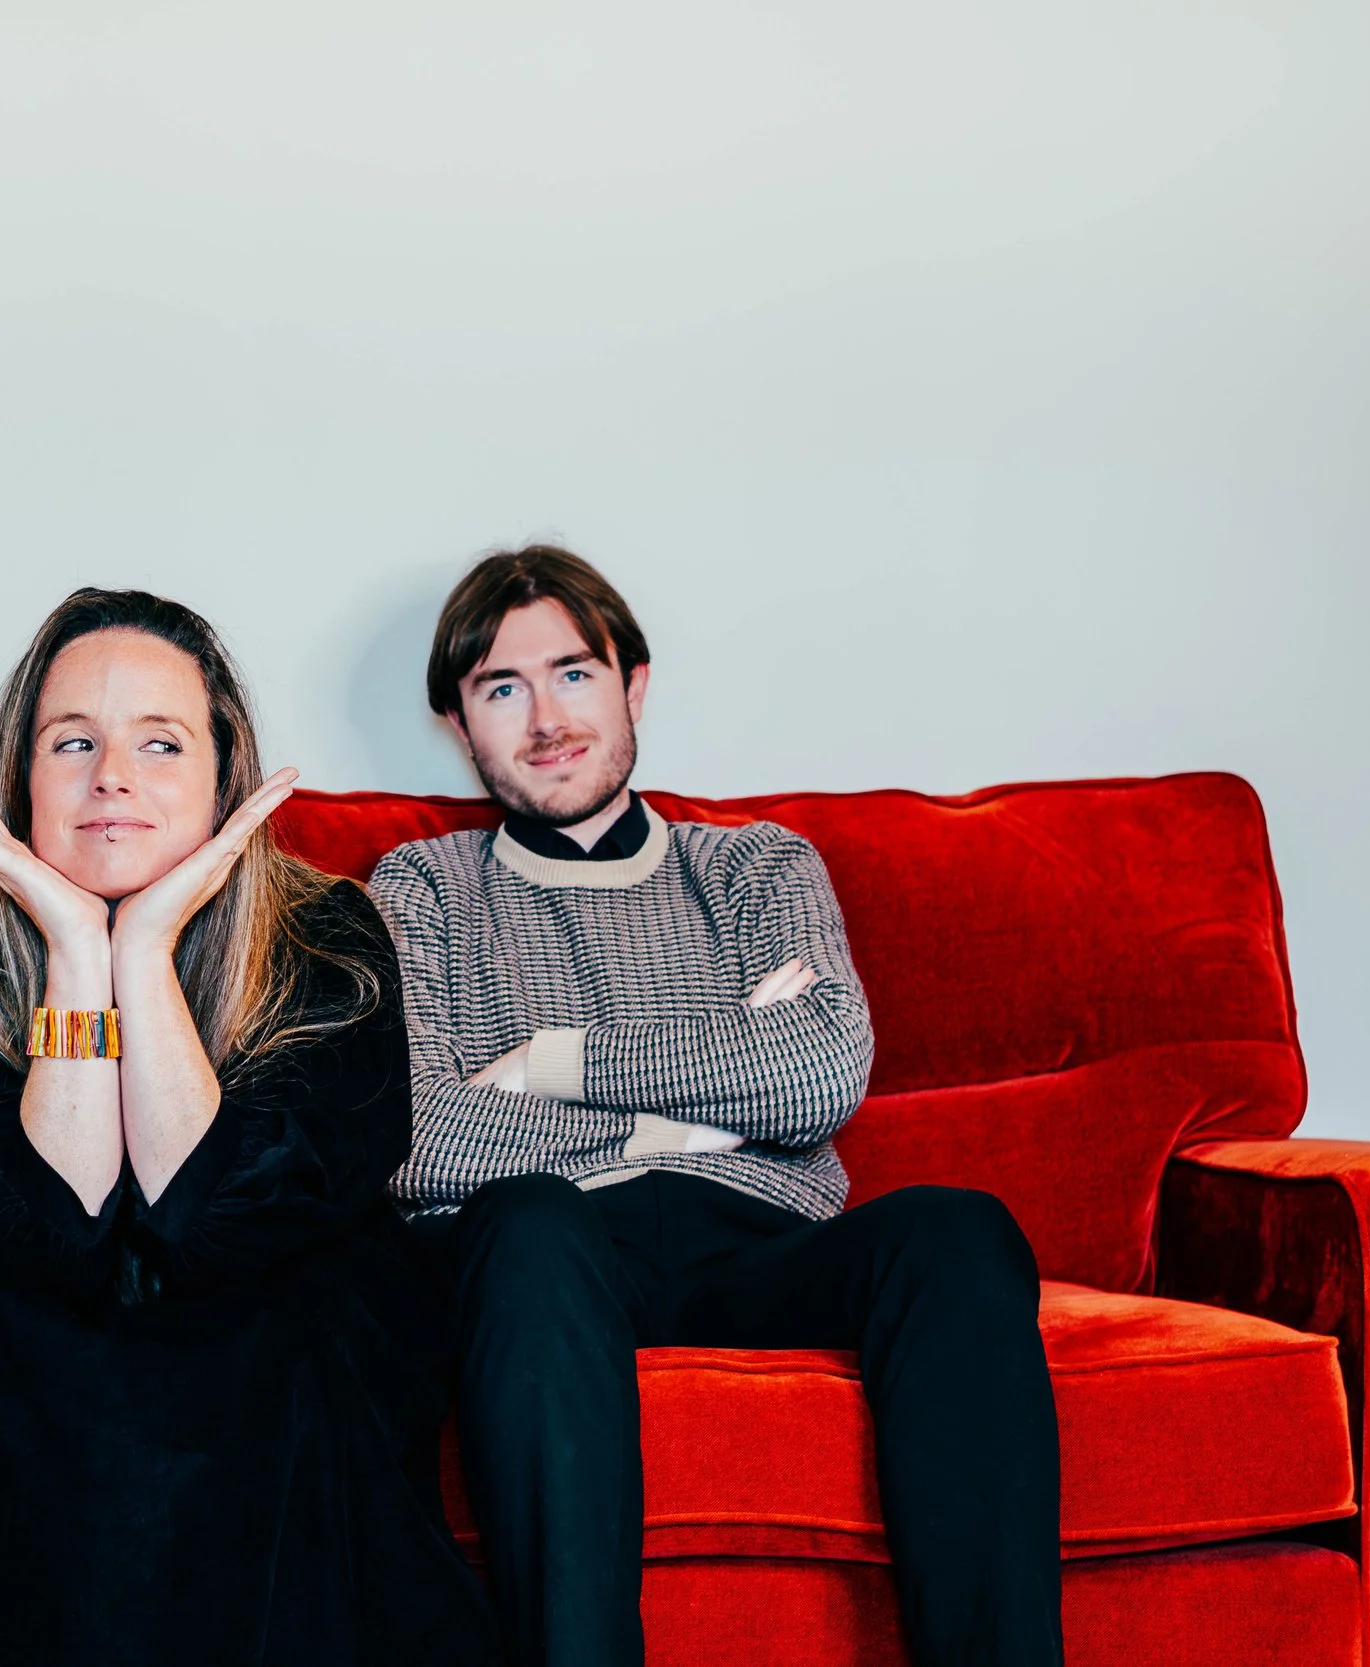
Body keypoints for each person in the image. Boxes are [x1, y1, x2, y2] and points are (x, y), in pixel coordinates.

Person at [0, 588, 500, 1667]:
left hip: (268, 1304)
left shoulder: (329, 933)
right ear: (20, 774)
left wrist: (146, 951)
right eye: (72, 740)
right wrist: (79, 953)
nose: (112, 776)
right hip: (2, 1305)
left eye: (160, 742)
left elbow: (206, 1220)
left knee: (279, 1323)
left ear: (224, 774)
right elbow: (54, 1230)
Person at [369, 545, 1062, 1667]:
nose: (546, 718)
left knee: (958, 1231)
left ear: (633, 683)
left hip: (759, 1244)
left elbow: (820, 1071)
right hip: (548, 1262)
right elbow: (413, 1134)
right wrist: (706, 1103)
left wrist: (544, 1060)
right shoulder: (422, 889)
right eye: (502, 688)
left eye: (573, 674)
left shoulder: (755, 867)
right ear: (458, 721)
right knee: (532, 1221)